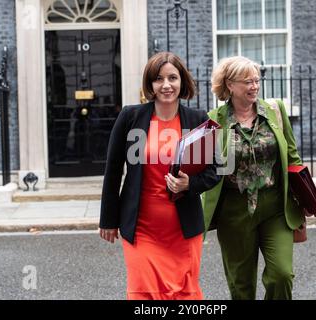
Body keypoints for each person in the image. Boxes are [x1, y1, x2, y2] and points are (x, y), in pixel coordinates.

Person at [99, 51, 221, 300]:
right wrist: (108, 219)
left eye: (172, 78)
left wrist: (190, 184)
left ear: (182, 81)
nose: (166, 85)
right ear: (150, 84)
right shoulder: (131, 117)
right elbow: (113, 170)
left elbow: (216, 169)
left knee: (183, 294)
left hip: (183, 229)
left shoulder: (198, 120)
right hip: (141, 227)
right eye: (158, 79)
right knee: (144, 292)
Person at [201, 56, 304, 300]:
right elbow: (201, 169)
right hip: (234, 212)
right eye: (247, 81)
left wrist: (304, 196)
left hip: (275, 208)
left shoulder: (275, 111)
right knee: (241, 286)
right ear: (229, 85)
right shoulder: (212, 120)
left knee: (282, 275)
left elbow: (292, 157)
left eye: (257, 80)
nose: (254, 86)